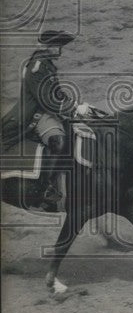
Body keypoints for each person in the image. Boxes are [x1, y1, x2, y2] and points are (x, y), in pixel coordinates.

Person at [0, 31, 92, 211]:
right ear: (48, 47)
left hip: (46, 111)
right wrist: (72, 109)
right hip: (35, 115)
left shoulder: (47, 65)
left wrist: (76, 105)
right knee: (58, 141)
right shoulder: (37, 66)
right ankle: (46, 188)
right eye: (58, 47)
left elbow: (56, 93)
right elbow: (46, 99)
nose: (60, 51)